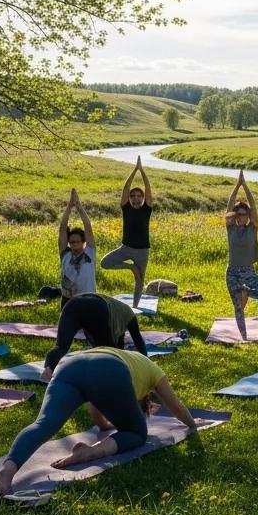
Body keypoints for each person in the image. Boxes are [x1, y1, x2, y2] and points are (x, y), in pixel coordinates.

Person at [0, 347, 197, 496]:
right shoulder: (153, 372)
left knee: (43, 425)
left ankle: (4, 476)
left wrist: (105, 426)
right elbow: (175, 406)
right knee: (137, 433)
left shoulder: (131, 361)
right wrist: (193, 425)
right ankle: (90, 452)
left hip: (69, 364)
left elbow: (95, 406)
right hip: (110, 369)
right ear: (144, 400)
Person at [40, 293, 148, 381]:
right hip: (96, 306)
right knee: (108, 353)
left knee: (61, 346)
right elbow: (137, 340)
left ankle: (48, 371)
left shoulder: (118, 317)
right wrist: (146, 363)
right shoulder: (130, 316)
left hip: (72, 304)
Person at [100, 157, 154, 312]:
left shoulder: (147, 208)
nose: (136, 198)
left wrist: (142, 171)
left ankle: (135, 308)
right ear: (129, 198)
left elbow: (148, 188)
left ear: (143, 198)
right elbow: (126, 188)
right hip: (126, 248)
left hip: (142, 251)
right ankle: (131, 267)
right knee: (105, 263)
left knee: (140, 280)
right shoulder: (126, 207)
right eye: (133, 196)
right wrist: (134, 170)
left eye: (139, 196)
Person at [224, 170, 258, 341]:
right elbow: (229, 207)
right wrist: (237, 186)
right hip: (232, 272)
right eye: (238, 214)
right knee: (238, 306)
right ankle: (244, 337)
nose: (241, 217)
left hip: (248, 272)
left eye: (244, 214)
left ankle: (247, 293)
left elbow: (254, 207)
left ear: (248, 215)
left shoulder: (253, 227)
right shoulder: (231, 228)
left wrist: (245, 186)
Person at [59, 188, 96, 307]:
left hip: (88, 299)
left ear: (83, 241)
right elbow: (62, 227)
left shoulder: (89, 252)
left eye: (77, 242)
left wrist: (79, 207)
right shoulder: (65, 254)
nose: (74, 244)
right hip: (68, 300)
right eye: (72, 242)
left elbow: (87, 226)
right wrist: (69, 206)